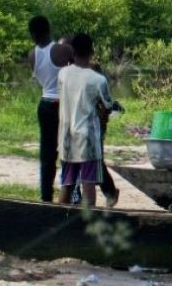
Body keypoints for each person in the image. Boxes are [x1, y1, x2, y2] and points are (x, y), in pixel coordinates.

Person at [56, 34, 119, 207]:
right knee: (88, 184)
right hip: (88, 140)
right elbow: (107, 105)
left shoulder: (62, 74)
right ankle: (86, 226)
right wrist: (103, 118)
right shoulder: (98, 79)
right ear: (92, 51)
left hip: (66, 138)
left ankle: (58, 221)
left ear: (72, 51)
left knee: (67, 185)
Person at [29, 16, 63, 202]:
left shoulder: (31, 55)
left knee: (47, 152)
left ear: (34, 34)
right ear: (49, 29)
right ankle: (71, 194)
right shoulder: (62, 50)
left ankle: (46, 195)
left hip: (45, 104)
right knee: (67, 150)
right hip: (63, 104)